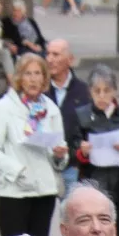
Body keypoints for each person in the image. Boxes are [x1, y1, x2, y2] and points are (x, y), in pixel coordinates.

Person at [0, 55, 68, 236]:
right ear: (19, 78)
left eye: (38, 73)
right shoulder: (4, 107)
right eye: (28, 73)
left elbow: (59, 152)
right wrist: (17, 171)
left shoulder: (51, 108)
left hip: (44, 192)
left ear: (44, 78)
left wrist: (59, 155)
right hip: (14, 192)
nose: (33, 79)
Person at [71, 66, 119, 236]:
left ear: (114, 91)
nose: (102, 96)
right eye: (97, 91)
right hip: (93, 185)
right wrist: (81, 151)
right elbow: (71, 151)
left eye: (107, 91)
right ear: (90, 92)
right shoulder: (82, 116)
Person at [43, 40, 90, 192]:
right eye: (48, 54)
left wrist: (76, 154)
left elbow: (89, 129)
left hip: (72, 166)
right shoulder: (39, 90)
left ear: (70, 60)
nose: (49, 59)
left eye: (55, 54)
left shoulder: (84, 92)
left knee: (70, 214)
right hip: (42, 165)